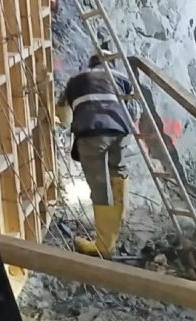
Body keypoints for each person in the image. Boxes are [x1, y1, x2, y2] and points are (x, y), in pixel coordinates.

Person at [56, 51, 138, 257]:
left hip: (92, 132)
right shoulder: (122, 78)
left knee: (100, 185)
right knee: (118, 171)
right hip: (121, 131)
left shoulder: (76, 80)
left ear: (90, 65)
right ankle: (119, 218)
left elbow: (62, 114)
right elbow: (134, 112)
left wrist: (63, 126)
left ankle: (104, 245)